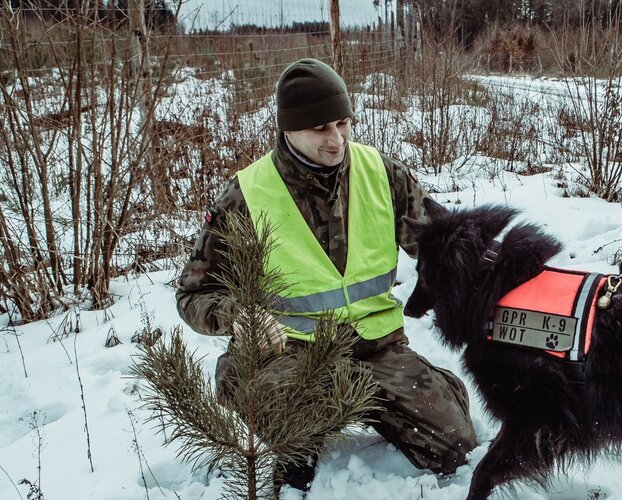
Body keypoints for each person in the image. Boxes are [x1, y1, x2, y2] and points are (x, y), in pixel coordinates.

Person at [175, 58, 478, 492]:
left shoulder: (384, 174)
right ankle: (281, 418)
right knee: (295, 438)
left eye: (343, 123)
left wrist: (492, 265)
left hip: (376, 349)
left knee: (455, 446)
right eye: (320, 129)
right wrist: (238, 316)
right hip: (291, 357)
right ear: (289, 129)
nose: (336, 140)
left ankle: (433, 389)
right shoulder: (246, 195)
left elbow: (444, 245)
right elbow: (193, 294)